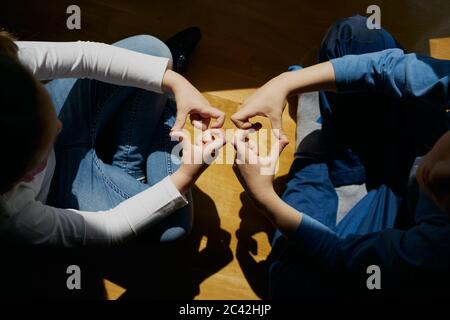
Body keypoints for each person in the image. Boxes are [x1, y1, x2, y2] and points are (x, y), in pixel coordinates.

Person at [231, 15, 450, 299]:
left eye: (449, 188)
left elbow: (339, 257)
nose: (438, 172)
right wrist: (286, 82)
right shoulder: (434, 172)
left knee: (295, 283)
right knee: (359, 34)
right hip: (410, 167)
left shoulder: (436, 252)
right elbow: (388, 68)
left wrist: (264, 198)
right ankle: (320, 121)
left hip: (408, 235)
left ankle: (314, 148)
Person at [0, 29, 226, 246]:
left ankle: (158, 117)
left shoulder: (7, 64)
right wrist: (186, 176)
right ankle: (148, 134)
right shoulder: (14, 216)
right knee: (173, 226)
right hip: (58, 187)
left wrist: (177, 83)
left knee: (153, 50)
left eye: (40, 94)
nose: (59, 125)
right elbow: (109, 227)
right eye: (47, 135)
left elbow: (87, 57)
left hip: (64, 109)